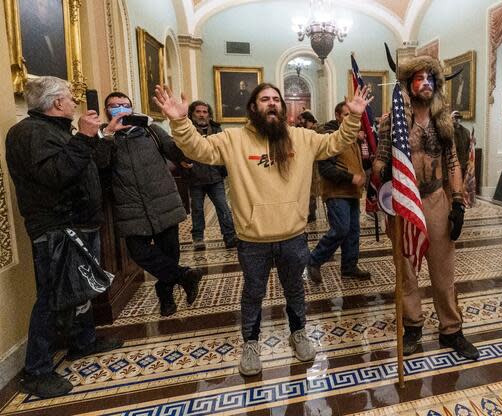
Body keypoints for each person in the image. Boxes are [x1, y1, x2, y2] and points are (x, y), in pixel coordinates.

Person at [153, 82, 371, 376]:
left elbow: (336, 141)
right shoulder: (233, 139)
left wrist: (354, 116)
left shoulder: (303, 138)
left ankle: (298, 332)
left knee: (295, 289)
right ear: (253, 107)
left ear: (282, 108)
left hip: (293, 235)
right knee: (253, 292)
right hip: (252, 239)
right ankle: (251, 343)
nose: (272, 104)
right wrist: (179, 121)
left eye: (276, 100)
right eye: (265, 99)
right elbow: (198, 149)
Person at [5, 76, 122, 398]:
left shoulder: (58, 131)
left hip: (79, 224)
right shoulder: (28, 133)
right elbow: (55, 176)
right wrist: (84, 138)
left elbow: (91, 165)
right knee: (52, 299)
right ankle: (37, 370)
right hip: (57, 229)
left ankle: (83, 343)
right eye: (71, 98)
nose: (74, 103)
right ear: (56, 102)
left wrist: (104, 137)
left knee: (81, 290)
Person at [372, 55, 480, 361]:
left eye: (430, 78)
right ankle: (413, 326)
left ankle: (452, 330)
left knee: (443, 271)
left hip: (435, 200)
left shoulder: (444, 121)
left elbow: (454, 163)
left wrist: (458, 202)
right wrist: (377, 174)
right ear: (407, 84)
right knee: (406, 271)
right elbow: (380, 160)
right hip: (404, 202)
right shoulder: (391, 122)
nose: (426, 83)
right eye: (419, 78)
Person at [96, 92, 203, 317]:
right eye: (113, 106)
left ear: (132, 108)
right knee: (139, 252)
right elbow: (100, 165)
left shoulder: (150, 130)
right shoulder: (102, 135)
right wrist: (107, 136)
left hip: (163, 201)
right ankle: (185, 276)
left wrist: (185, 145)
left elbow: (174, 151)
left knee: (169, 253)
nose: (119, 109)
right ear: (106, 111)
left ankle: (166, 298)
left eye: (124, 105)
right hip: (130, 206)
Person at [306, 102, 372, 283]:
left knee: (353, 232)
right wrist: (351, 177)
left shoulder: (352, 137)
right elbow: (326, 169)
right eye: (346, 115)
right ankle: (313, 261)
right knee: (341, 229)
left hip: (352, 192)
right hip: (336, 192)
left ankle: (349, 268)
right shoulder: (330, 137)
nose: (351, 119)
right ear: (337, 116)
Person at [182, 100, 237, 250]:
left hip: (215, 176)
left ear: (209, 114)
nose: (201, 115)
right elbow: (179, 148)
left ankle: (230, 236)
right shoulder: (188, 130)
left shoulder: (217, 129)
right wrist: (182, 161)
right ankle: (198, 238)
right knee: (198, 209)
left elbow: (225, 150)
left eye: (204, 112)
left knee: (223, 207)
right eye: (198, 112)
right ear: (192, 114)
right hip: (195, 177)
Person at [298, 110, 320, 222]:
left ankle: (311, 213)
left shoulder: (316, 131)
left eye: (302, 120)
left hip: (313, 164)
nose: (301, 123)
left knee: (311, 189)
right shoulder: (308, 130)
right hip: (307, 163)